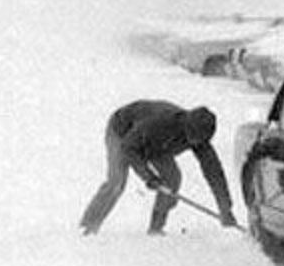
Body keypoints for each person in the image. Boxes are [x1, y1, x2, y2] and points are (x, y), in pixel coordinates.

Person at [80, 100, 237, 236]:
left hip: (157, 146)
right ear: (187, 127)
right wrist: (148, 177)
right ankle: (88, 226)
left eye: (199, 141)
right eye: (193, 138)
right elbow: (128, 148)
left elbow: (214, 173)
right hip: (122, 133)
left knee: (172, 179)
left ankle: (156, 228)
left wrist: (225, 208)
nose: (195, 143)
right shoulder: (161, 123)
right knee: (117, 182)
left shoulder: (200, 140)